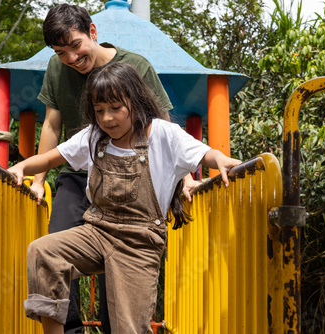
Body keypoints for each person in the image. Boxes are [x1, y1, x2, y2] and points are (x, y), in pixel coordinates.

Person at [8, 63, 242, 334]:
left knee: (127, 328)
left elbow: (204, 153)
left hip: (138, 243)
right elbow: (52, 157)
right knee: (43, 252)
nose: (107, 118)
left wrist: (221, 160)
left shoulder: (164, 134)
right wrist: (23, 167)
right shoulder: (95, 136)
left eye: (115, 108)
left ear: (136, 102)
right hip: (97, 231)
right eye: (99, 111)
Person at [30, 4, 200, 333]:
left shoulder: (135, 66)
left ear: (92, 32)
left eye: (75, 47)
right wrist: (38, 180)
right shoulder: (56, 68)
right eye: (61, 52)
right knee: (54, 243)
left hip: (128, 181)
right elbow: (52, 125)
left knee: (118, 263)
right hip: (79, 177)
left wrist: (185, 179)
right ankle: (69, 329)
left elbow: (163, 126)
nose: (71, 59)